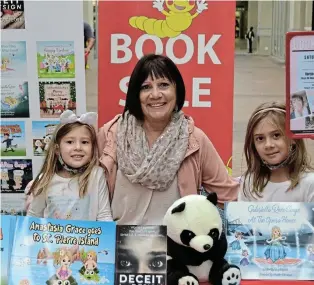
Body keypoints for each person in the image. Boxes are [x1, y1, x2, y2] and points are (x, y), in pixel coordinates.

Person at [97, 54, 239, 225]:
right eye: (146, 87)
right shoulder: (111, 134)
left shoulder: (194, 140)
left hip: (175, 247)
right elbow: (84, 188)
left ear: (176, 90)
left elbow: (229, 196)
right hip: (117, 246)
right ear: (136, 94)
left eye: (163, 85)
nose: (155, 94)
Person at [26, 110, 112, 221]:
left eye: (85, 142)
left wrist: (107, 237)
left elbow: (104, 215)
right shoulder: (45, 179)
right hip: (53, 238)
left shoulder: (97, 175)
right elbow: (33, 216)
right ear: (57, 149)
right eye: (70, 142)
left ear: (92, 148)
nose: (78, 147)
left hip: (88, 238)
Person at [238, 102, 314, 202]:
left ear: (293, 138)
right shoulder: (249, 182)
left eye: (276, 135)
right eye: (260, 138)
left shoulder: (310, 183)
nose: (268, 145)